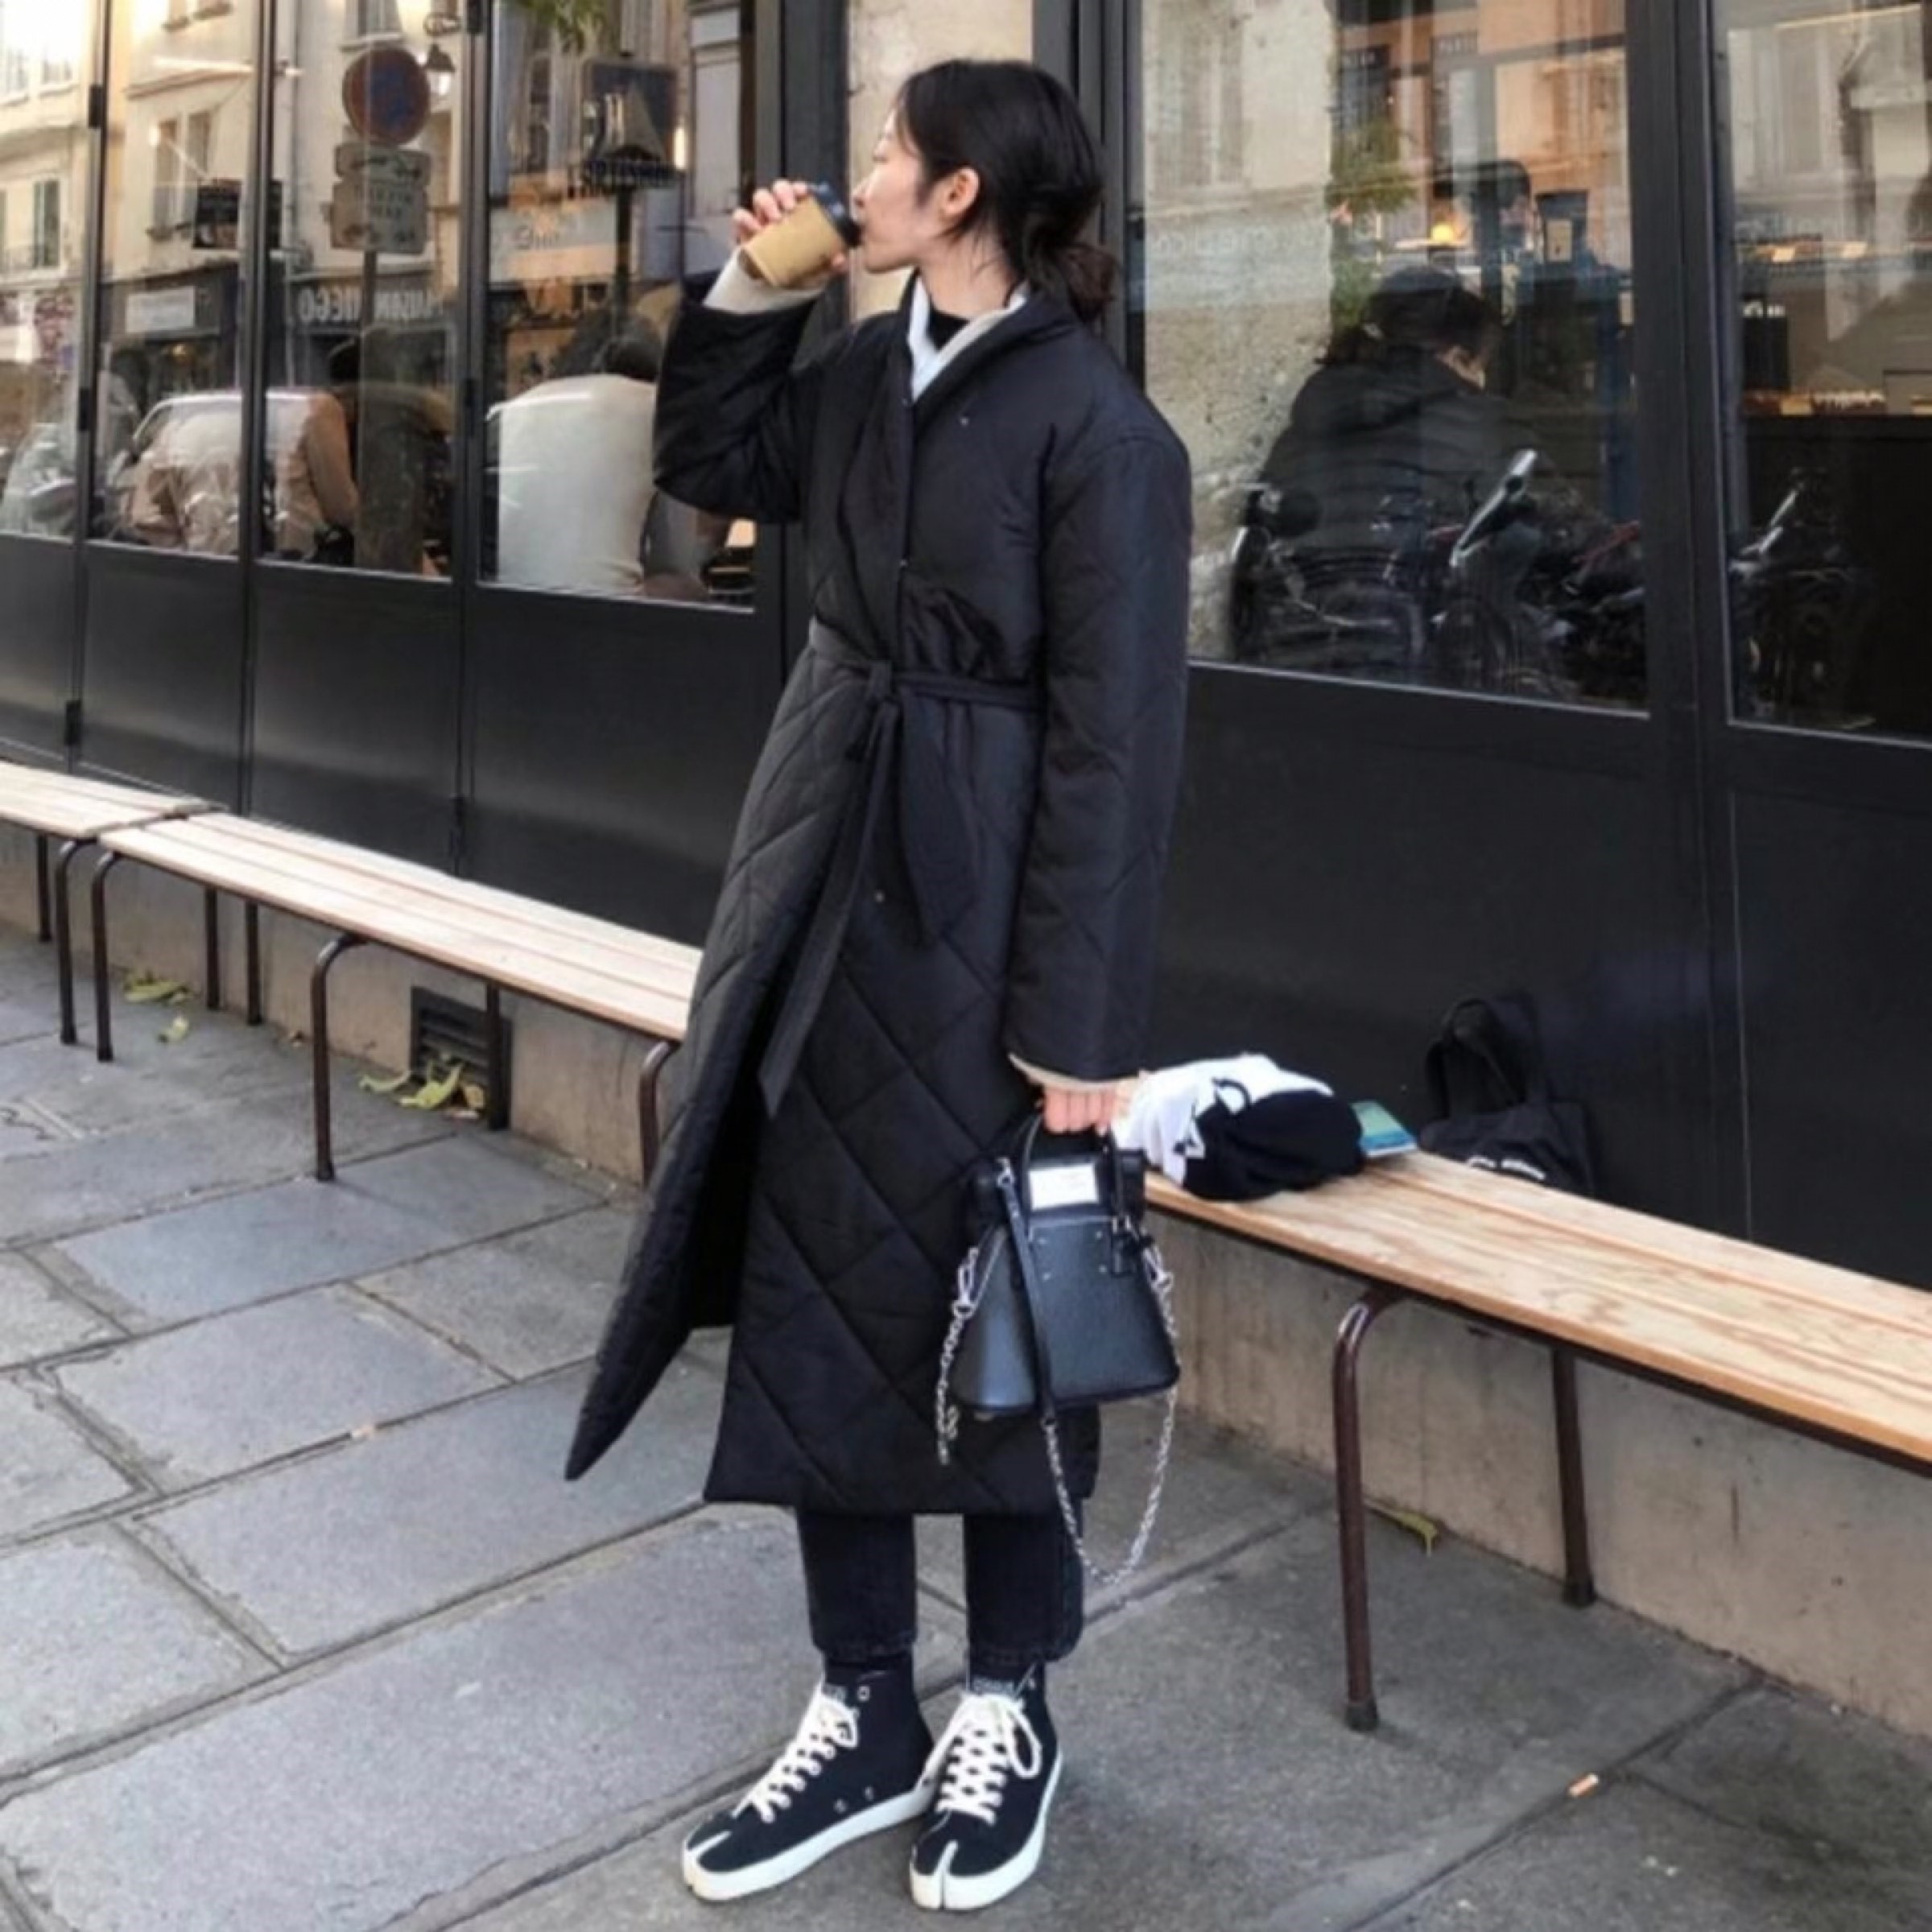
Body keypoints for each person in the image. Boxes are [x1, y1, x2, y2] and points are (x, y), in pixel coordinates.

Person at [565, 58, 1192, 1913]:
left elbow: (1116, 754)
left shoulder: (1101, 436)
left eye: (892, 154)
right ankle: (858, 1701)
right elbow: (703, 459)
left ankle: (1006, 1701)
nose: (863, 174)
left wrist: (1079, 1030)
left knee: (999, 1313)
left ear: (962, 192)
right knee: (815, 1291)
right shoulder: (857, 373)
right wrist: (754, 289)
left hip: (985, 920)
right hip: (818, 874)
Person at [1261, 262, 1503, 573]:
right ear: (1457, 358)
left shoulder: (1307, 424)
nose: (1481, 381)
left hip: (1312, 598)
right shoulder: (1475, 426)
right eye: (1480, 367)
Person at [492, 324, 666, 595]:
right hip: (609, 614)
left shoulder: (515, 409)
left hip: (501, 605)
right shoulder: (655, 405)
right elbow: (683, 570)